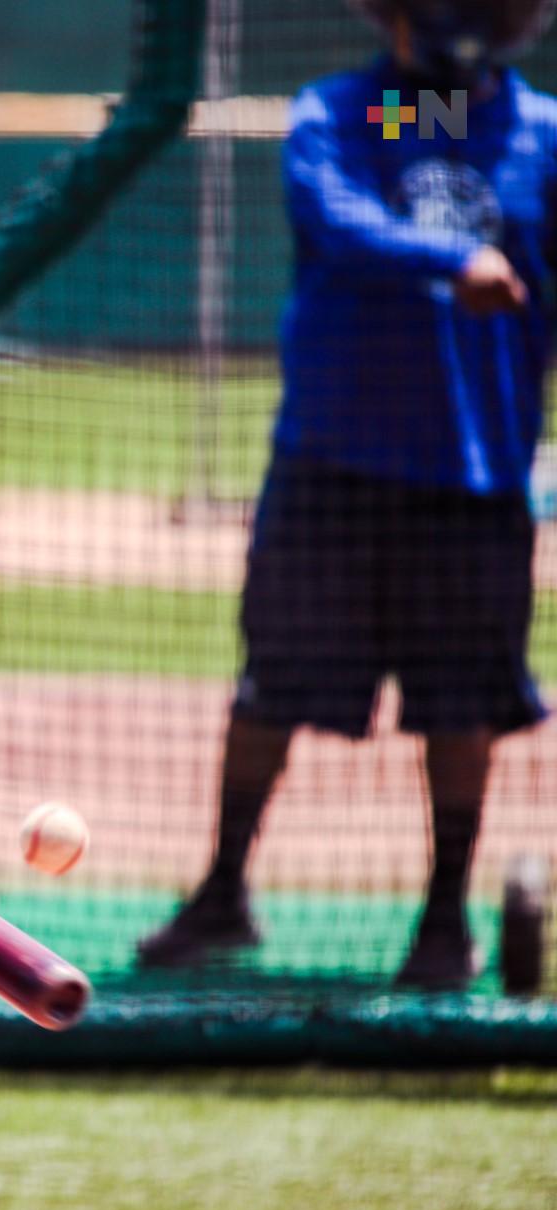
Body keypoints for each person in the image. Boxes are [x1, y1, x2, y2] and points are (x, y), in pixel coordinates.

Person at [137, 0, 555, 990]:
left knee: (460, 703)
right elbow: (339, 216)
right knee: (273, 684)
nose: (455, 20)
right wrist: (453, 258)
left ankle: (446, 919)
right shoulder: (353, 111)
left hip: (475, 474)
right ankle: (224, 891)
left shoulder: (536, 131)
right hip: (334, 460)